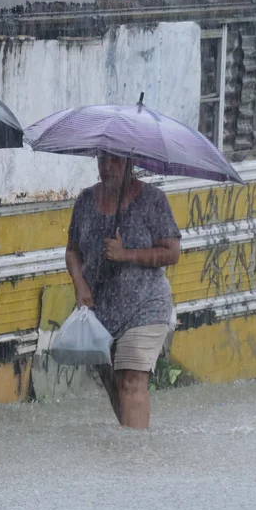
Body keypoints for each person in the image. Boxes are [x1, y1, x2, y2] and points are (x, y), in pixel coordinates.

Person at [65, 153, 182, 429]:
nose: (107, 167)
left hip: (145, 307)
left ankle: (136, 461)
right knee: (115, 386)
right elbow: (72, 251)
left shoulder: (153, 200)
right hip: (100, 311)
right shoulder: (85, 201)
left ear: (131, 162)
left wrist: (125, 254)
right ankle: (130, 449)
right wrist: (79, 284)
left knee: (131, 380)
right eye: (102, 159)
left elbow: (172, 252)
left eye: (115, 160)